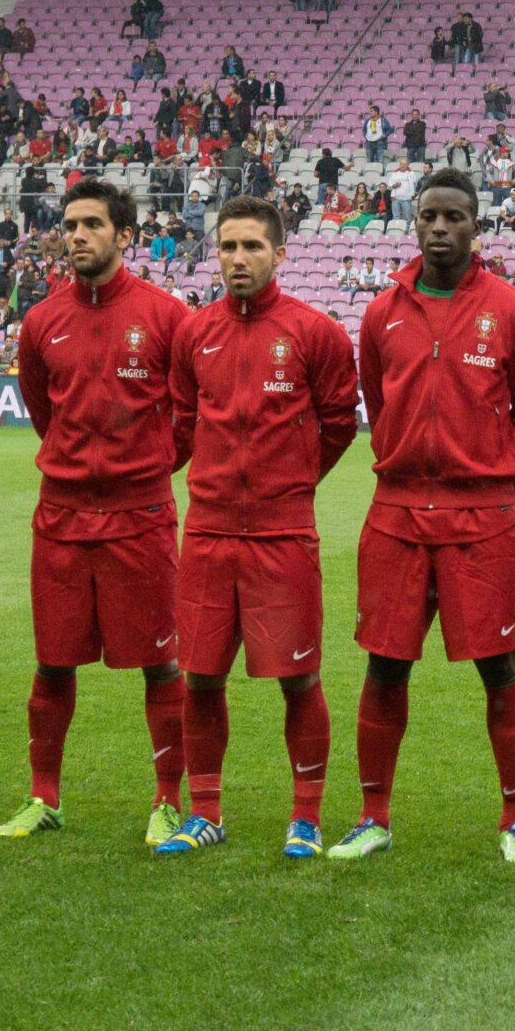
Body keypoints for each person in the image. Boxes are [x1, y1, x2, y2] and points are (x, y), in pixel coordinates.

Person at [334, 168, 515, 864]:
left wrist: (495, 486)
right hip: (397, 512)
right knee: (385, 666)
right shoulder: (381, 313)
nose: (438, 227)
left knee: (502, 665)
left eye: (453, 217)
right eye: (428, 214)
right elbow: (379, 396)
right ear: (414, 220)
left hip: (481, 515)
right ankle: (374, 816)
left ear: (475, 227)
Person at [164, 196, 360, 859]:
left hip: (283, 533)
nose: (238, 258)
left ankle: (305, 817)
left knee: (299, 677)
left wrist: (292, 482)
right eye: (228, 246)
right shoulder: (194, 332)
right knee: (199, 675)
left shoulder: (315, 332)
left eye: (252, 246)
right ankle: (206, 811)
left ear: (280, 253)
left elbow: (339, 424)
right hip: (210, 532)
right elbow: (184, 420)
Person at [0, 180, 193, 849]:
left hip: (139, 514)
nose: (76, 234)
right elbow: (41, 407)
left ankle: (169, 800)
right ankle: (43, 796)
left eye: (91, 224)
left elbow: (187, 419)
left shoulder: (167, 315)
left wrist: (144, 466)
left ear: (125, 235)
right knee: (53, 661)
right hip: (61, 513)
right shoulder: (43, 320)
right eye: (70, 224)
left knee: (161, 663)